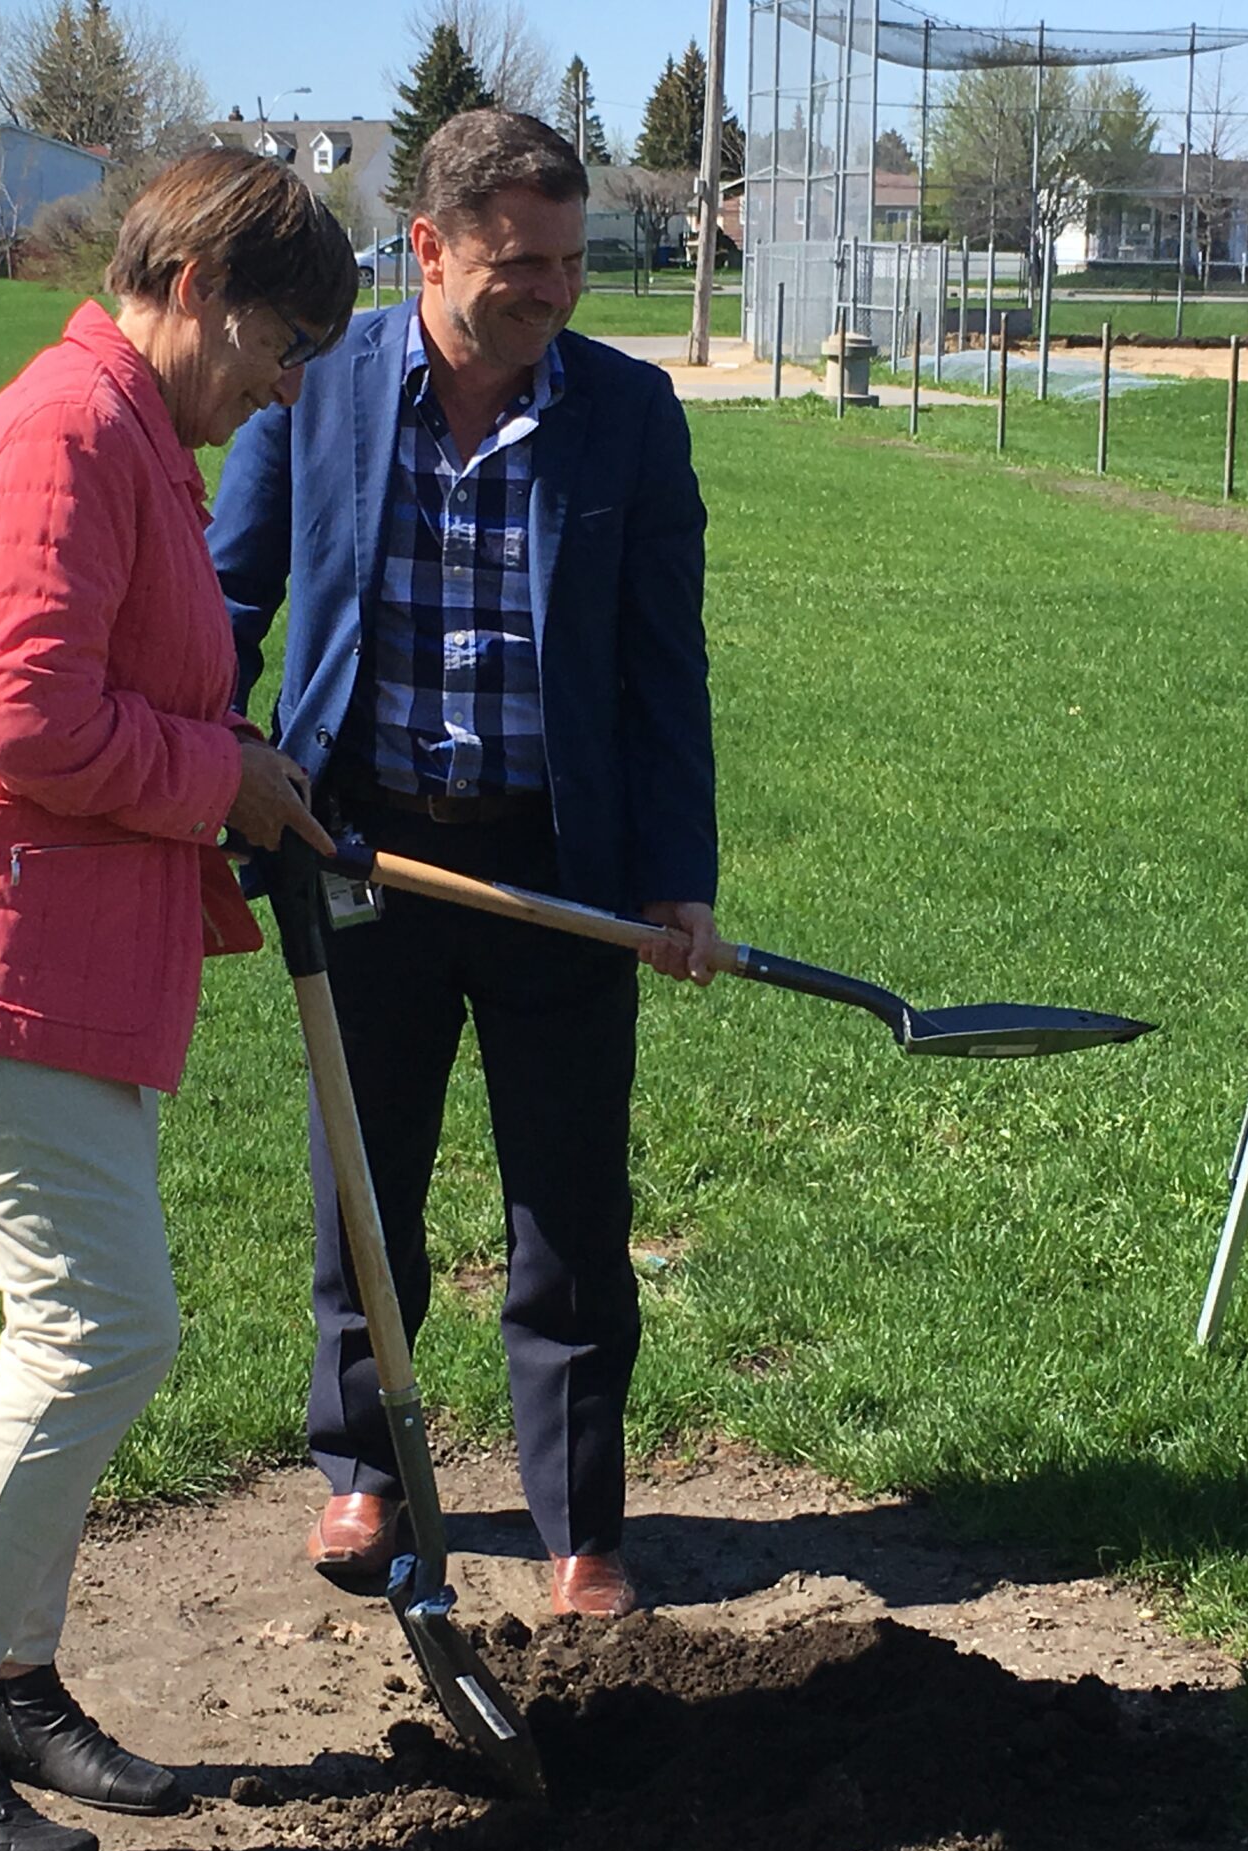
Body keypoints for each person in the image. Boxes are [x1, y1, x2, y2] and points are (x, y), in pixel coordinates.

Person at [0, 149, 350, 1851]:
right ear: (194, 281)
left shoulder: (130, 435)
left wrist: (241, 770)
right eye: (282, 342)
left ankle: (13, 1678)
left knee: (82, 1326)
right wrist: (225, 778)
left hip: (57, 966)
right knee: (100, 1332)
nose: (284, 385)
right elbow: (34, 723)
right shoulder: (69, 432)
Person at [209, 109, 724, 1624]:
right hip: (360, 857)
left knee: (568, 1212)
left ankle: (581, 1532)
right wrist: (218, 757)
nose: (554, 289)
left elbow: (660, 668)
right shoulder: (319, 389)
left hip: (563, 875)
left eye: (571, 261)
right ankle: (361, 1470)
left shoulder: (626, 414)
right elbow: (221, 599)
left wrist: (676, 877)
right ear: (427, 249)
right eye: (519, 263)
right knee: (365, 1184)